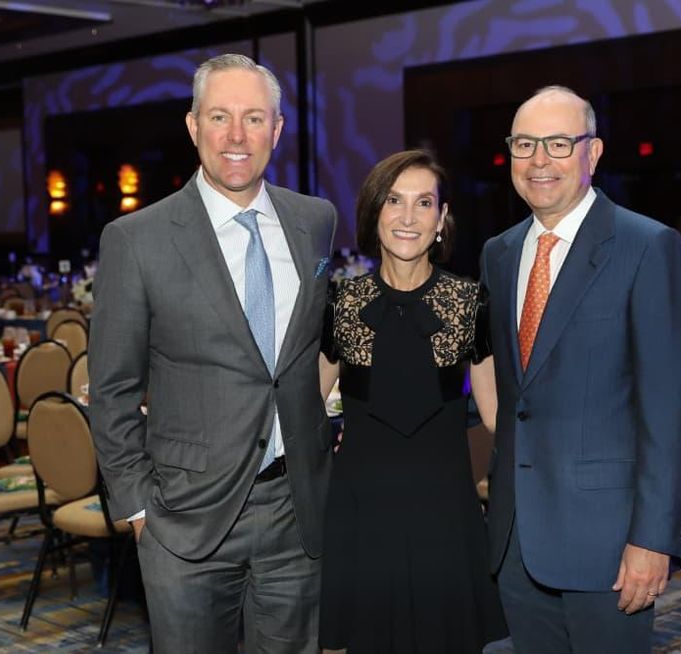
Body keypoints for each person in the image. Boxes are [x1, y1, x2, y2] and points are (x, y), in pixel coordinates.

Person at [89, 54, 338, 653]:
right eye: (219, 116)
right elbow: (113, 389)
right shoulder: (136, 239)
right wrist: (139, 509)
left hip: (296, 514)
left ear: (277, 130)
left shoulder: (315, 221)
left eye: (254, 118)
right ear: (193, 125)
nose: (236, 136)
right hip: (184, 520)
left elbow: (307, 352)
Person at [478, 86, 681, 653]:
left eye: (558, 143)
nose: (539, 160)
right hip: (516, 538)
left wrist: (654, 539)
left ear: (592, 153)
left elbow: (670, 412)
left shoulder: (648, 247)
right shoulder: (499, 254)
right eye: (525, 144)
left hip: (609, 544)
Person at [317, 149, 507, 653]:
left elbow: (496, 416)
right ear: (374, 212)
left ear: (441, 219)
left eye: (424, 203)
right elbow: (306, 405)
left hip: (443, 512)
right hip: (361, 511)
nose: (408, 217)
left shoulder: (469, 302)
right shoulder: (341, 303)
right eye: (394, 201)